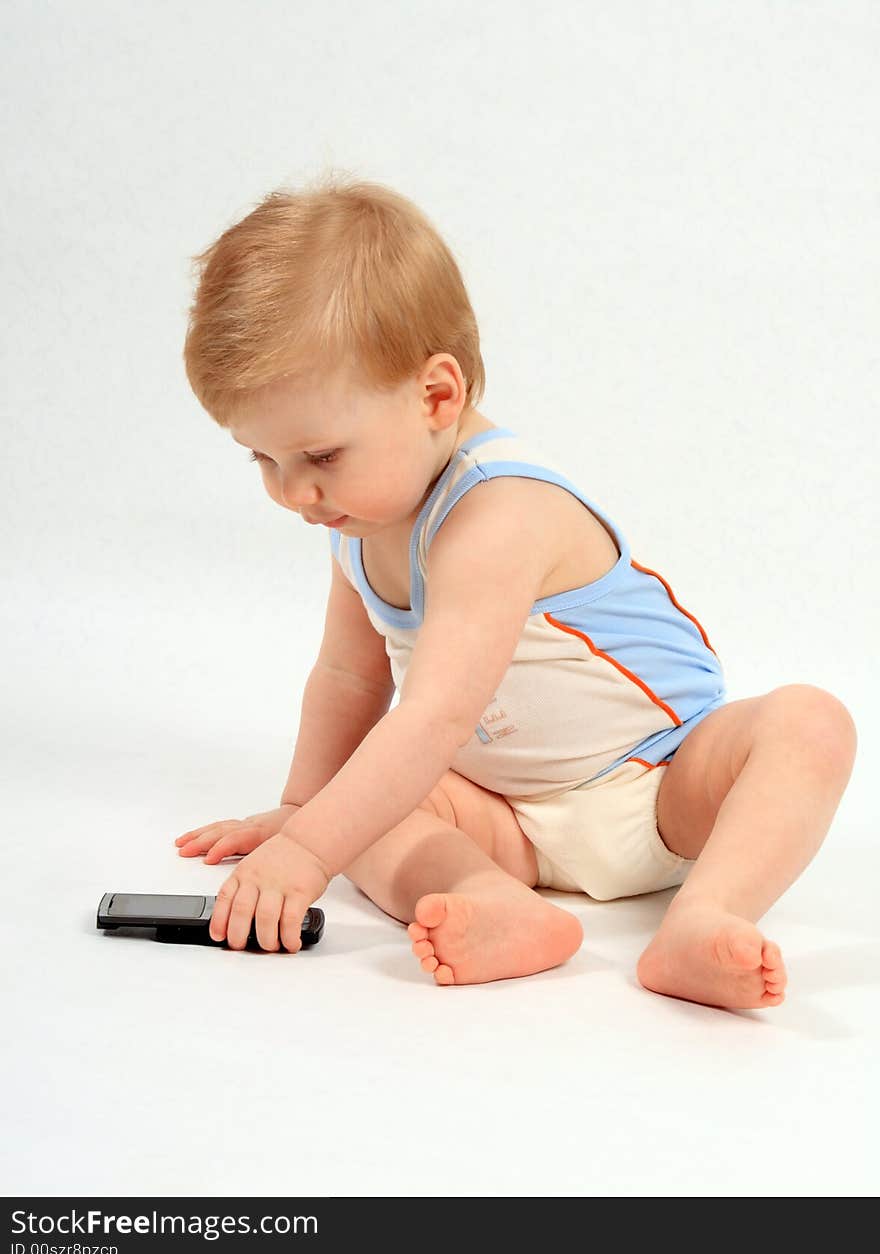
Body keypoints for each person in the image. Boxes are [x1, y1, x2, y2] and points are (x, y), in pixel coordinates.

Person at [175, 172, 857, 1009]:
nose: (292, 493)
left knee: (809, 723)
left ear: (437, 394)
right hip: (508, 819)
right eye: (262, 459)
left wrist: (309, 851)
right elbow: (351, 679)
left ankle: (704, 912)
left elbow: (433, 718)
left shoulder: (499, 515)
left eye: (318, 456)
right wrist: (302, 812)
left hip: (666, 786)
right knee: (364, 806)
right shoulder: (359, 516)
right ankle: (500, 904)